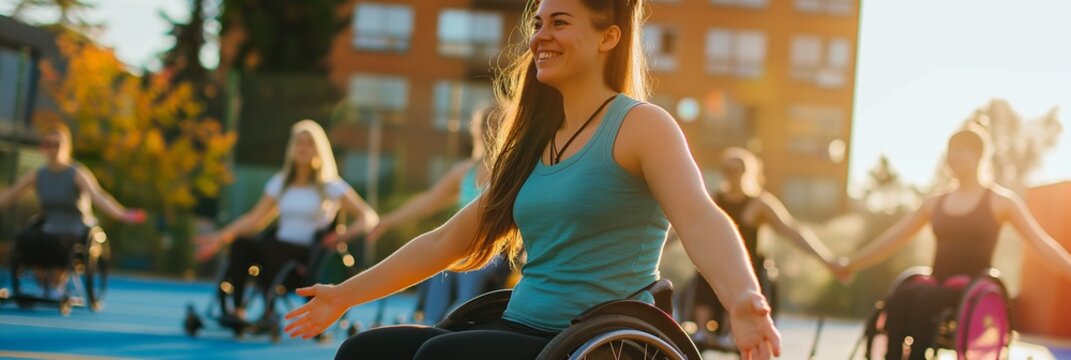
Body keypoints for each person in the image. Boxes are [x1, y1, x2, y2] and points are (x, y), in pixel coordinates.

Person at [284, 0, 781, 358]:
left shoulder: (641, 126)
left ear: (608, 37)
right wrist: (344, 295)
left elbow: (699, 218)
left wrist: (743, 299)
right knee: (364, 351)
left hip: (598, 342)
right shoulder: (533, 142)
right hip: (522, 326)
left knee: (441, 358)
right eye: (538, 23)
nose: (541, 35)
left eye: (560, 22)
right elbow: (445, 241)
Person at [834, 123, 1071, 360]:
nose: (953, 157)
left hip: (972, 288)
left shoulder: (1001, 201)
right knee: (902, 295)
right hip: (935, 283)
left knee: (926, 298)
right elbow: (894, 238)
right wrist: (851, 264)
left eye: (960, 150)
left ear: (978, 155)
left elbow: (1041, 243)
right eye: (950, 151)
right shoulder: (936, 202)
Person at [195, 120, 379, 323]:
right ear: (292, 148)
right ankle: (237, 309)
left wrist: (339, 237)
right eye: (299, 142)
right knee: (241, 246)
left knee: (274, 250)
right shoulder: (281, 183)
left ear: (318, 149)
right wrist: (221, 238)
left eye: (309, 143)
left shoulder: (330, 185)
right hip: (276, 248)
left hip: (306, 255)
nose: (303, 148)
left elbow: (368, 217)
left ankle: (268, 311)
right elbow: (255, 219)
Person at [366, 106, 510, 325]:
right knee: (439, 265)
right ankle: (431, 324)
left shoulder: (511, 170)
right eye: (484, 124)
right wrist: (387, 220)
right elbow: (427, 201)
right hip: (462, 247)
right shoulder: (465, 171)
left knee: (470, 269)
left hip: (495, 252)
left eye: (496, 123)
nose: (489, 130)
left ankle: (465, 325)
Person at [689, 147, 838, 346]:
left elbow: (792, 230)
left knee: (740, 277)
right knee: (706, 270)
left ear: (746, 172)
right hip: (717, 265)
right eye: (726, 170)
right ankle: (701, 330)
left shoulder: (759, 203)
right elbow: (685, 228)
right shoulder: (714, 200)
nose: (731, 175)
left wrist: (827, 260)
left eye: (736, 170)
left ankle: (731, 331)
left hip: (749, 267)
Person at [0, 123, 146, 297]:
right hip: (48, 226)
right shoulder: (38, 174)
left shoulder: (77, 173)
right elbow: (10, 195)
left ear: (67, 147)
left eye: (57, 144)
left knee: (59, 244)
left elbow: (98, 196)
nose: (53, 149)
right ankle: (42, 282)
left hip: (75, 227)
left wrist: (122, 214)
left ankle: (57, 283)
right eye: (49, 144)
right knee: (27, 239)